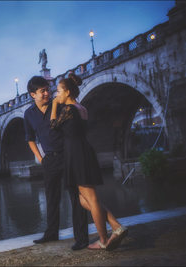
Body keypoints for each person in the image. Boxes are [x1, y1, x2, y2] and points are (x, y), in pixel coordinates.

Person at [50, 72, 128, 250]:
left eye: (58, 91)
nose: (56, 95)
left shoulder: (68, 109)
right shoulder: (81, 108)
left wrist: (54, 105)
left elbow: (53, 127)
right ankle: (116, 226)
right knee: (83, 199)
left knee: (90, 199)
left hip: (76, 154)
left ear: (68, 92)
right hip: (82, 151)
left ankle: (103, 240)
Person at [24, 76, 89, 250]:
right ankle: (51, 233)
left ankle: (81, 238)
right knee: (52, 197)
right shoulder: (28, 114)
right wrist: (40, 157)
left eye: (48, 89)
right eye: (42, 91)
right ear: (32, 95)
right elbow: (30, 139)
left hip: (68, 155)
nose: (47, 93)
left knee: (76, 197)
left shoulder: (61, 106)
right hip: (50, 159)